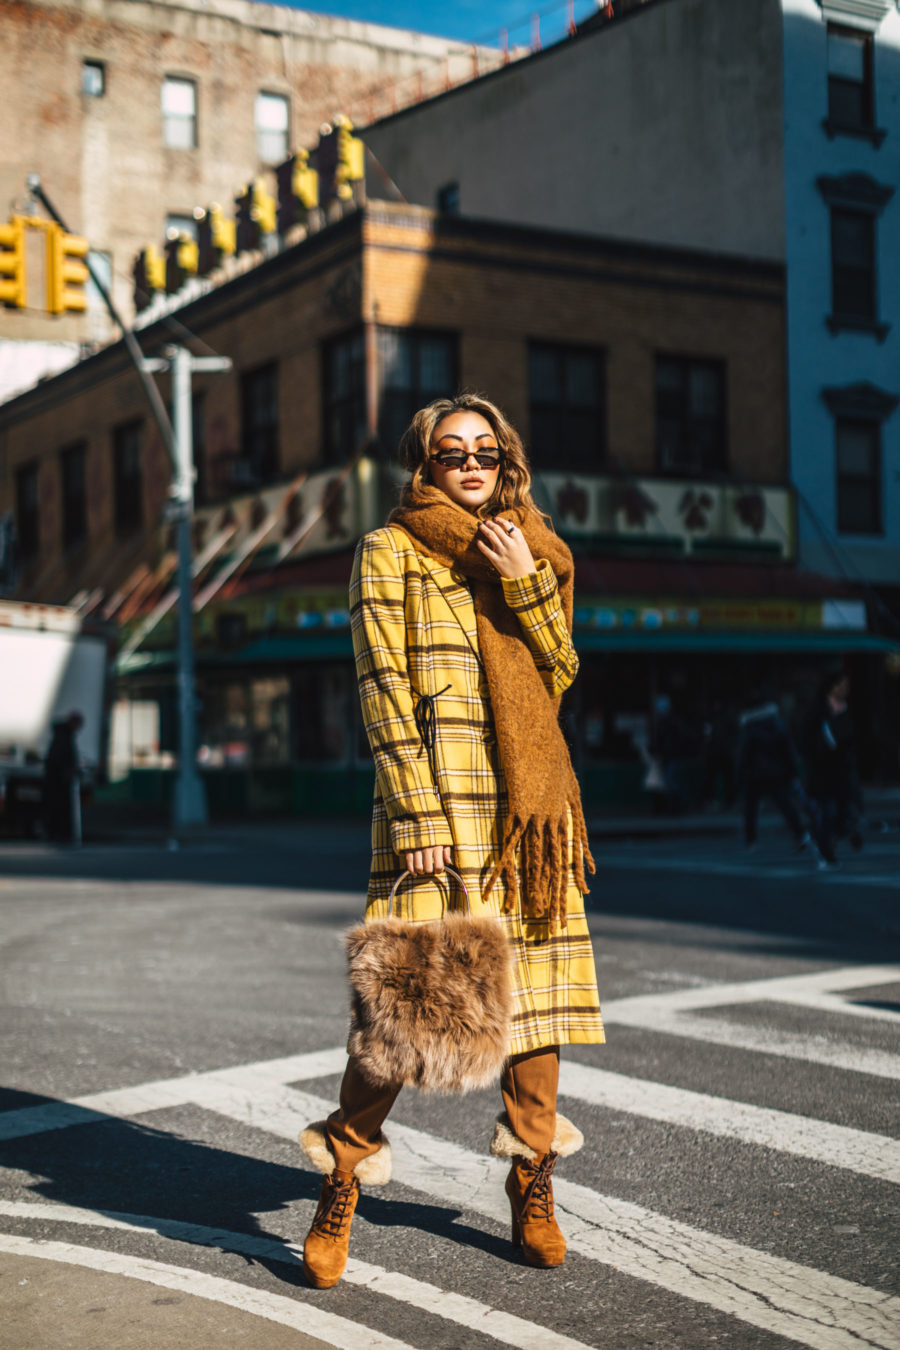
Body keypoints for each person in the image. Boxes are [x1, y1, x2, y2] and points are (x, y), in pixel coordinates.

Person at [299, 393, 604, 1286]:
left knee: (536, 1014)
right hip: (436, 811)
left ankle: (531, 1180)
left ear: (504, 460)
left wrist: (523, 583)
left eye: (485, 451)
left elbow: (562, 670)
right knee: (399, 1019)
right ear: (421, 464)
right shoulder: (386, 552)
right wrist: (416, 814)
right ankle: (343, 1174)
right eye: (450, 452)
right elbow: (382, 689)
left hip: (531, 820)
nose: (470, 464)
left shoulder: (530, 548)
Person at [736, 689, 809, 851]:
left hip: (755, 774)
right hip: (777, 772)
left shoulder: (750, 727)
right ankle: (800, 834)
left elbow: (744, 754)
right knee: (785, 805)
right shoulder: (777, 724)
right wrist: (793, 771)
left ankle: (751, 839)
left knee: (751, 809)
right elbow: (788, 751)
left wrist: (740, 773)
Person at [803, 670, 862, 866]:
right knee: (828, 811)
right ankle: (826, 848)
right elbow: (807, 738)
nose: (845, 689)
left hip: (841, 770)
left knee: (843, 809)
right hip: (823, 770)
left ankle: (838, 837)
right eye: (841, 685)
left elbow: (851, 738)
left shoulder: (845, 710)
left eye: (846, 685)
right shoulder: (819, 710)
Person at [43, 710, 83, 843]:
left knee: (55, 807)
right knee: (59, 807)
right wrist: (70, 770)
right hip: (59, 781)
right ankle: (57, 833)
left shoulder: (62, 735)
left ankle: (56, 832)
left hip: (57, 779)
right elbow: (62, 758)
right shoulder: (64, 736)